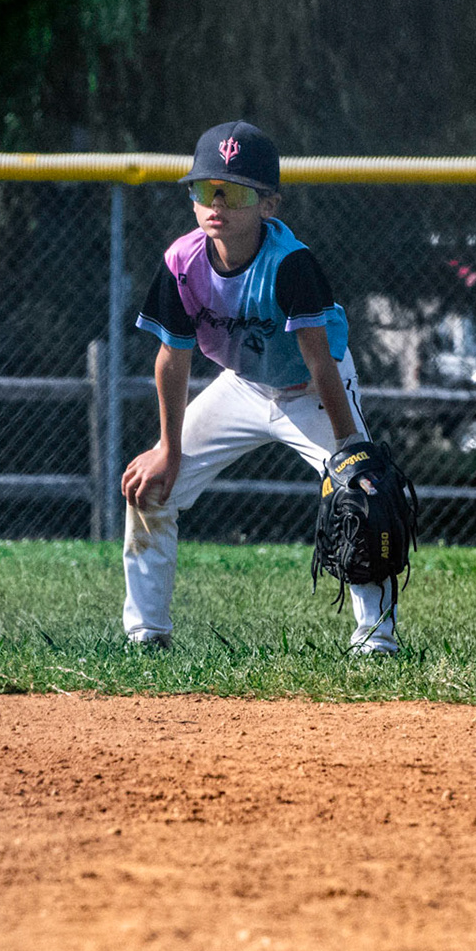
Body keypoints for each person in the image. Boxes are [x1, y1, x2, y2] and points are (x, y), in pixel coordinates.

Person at [121, 120, 398, 653]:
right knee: (152, 485)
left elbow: (319, 361)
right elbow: (172, 361)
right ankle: (145, 634)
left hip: (312, 388)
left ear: (268, 205)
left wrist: (350, 452)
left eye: (236, 191)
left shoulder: (291, 264)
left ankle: (376, 641)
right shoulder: (181, 263)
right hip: (244, 384)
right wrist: (168, 449)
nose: (217, 203)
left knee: (362, 494)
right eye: (205, 189)